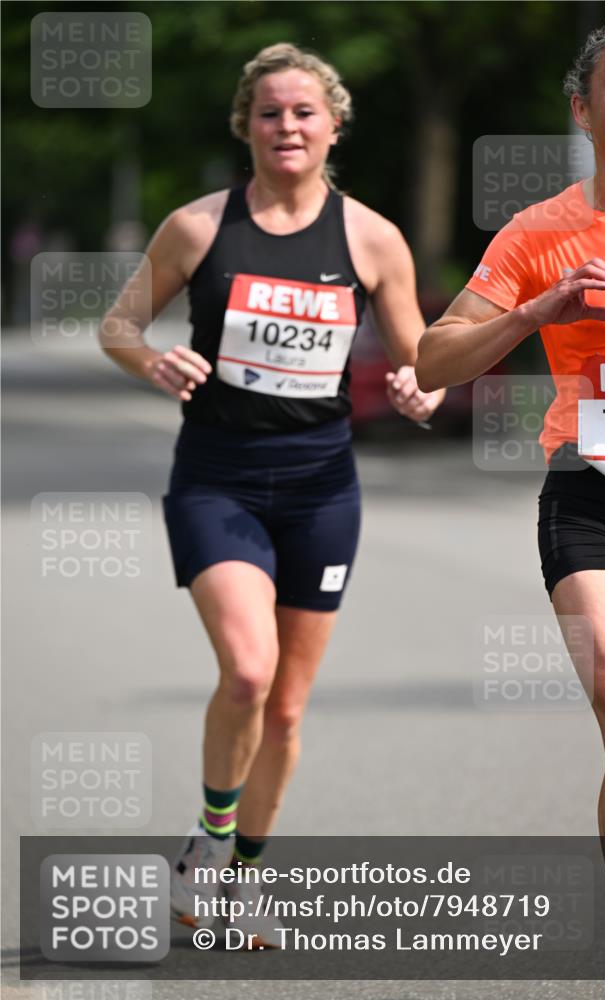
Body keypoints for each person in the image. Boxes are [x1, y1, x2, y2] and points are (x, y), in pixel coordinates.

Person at [100, 42, 443, 948]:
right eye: (269, 112)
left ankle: (243, 879)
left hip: (323, 487)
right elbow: (119, 325)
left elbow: (422, 356)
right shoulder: (197, 227)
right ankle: (210, 841)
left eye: (302, 112)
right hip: (217, 478)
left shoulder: (371, 237)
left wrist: (421, 390)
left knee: (286, 707)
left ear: (332, 126)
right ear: (245, 126)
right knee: (248, 672)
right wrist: (150, 359)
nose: (286, 126)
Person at [416, 15, 605, 999]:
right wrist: (534, 310)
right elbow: (434, 358)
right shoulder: (540, 230)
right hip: (594, 500)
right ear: (582, 108)